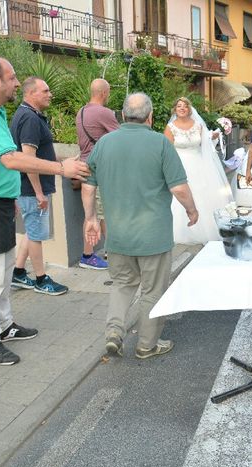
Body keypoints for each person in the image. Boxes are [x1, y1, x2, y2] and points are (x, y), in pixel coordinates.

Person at [0, 56, 89, 365]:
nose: (17, 82)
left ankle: (4, 326)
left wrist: (10, 195)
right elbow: (11, 159)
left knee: (2, 272)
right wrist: (61, 168)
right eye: (12, 77)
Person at [82, 92, 198, 359]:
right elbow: (179, 187)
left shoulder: (104, 144)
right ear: (150, 116)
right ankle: (147, 345)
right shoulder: (160, 144)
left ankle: (114, 331)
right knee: (152, 289)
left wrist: (91, 219)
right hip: (153, 236)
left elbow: (88, 188)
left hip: (118, 236)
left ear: (123, 115)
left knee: (123, 284)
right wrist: (191, 210)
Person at [10, 77, 68, 296]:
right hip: (31, 189)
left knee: (31, 230)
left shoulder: (26, 114)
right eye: (45, 91)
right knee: (36, 235)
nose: (50, 94)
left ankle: (18, 271)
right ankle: (41, 279)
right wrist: (39, 192)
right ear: (31, 93)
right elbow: (28, 159)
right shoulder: (30, 119)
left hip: (28, 188)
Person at [164, 97, 233, 244]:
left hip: (199, 165)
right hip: (179, 166)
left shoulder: (198, 125)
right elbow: (167, 151)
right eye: (179, 106)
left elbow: (206, 146)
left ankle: (206, 228)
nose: (182, 108)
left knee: (202, 194)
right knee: (180, 195)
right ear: (175, 109)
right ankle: (180, 231)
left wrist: (213, 137)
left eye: (185, 106)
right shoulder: (170, 127)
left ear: (189, 109)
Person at [75, 78, 120, 270]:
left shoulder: (81, 112)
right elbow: (121, 138)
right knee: (97, 212)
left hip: (85, 165)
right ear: (103, 93)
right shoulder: (104, 112)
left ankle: (108, 251)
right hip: (99, 168)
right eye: (108, 92)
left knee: (96, 211)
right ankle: (88, 255)